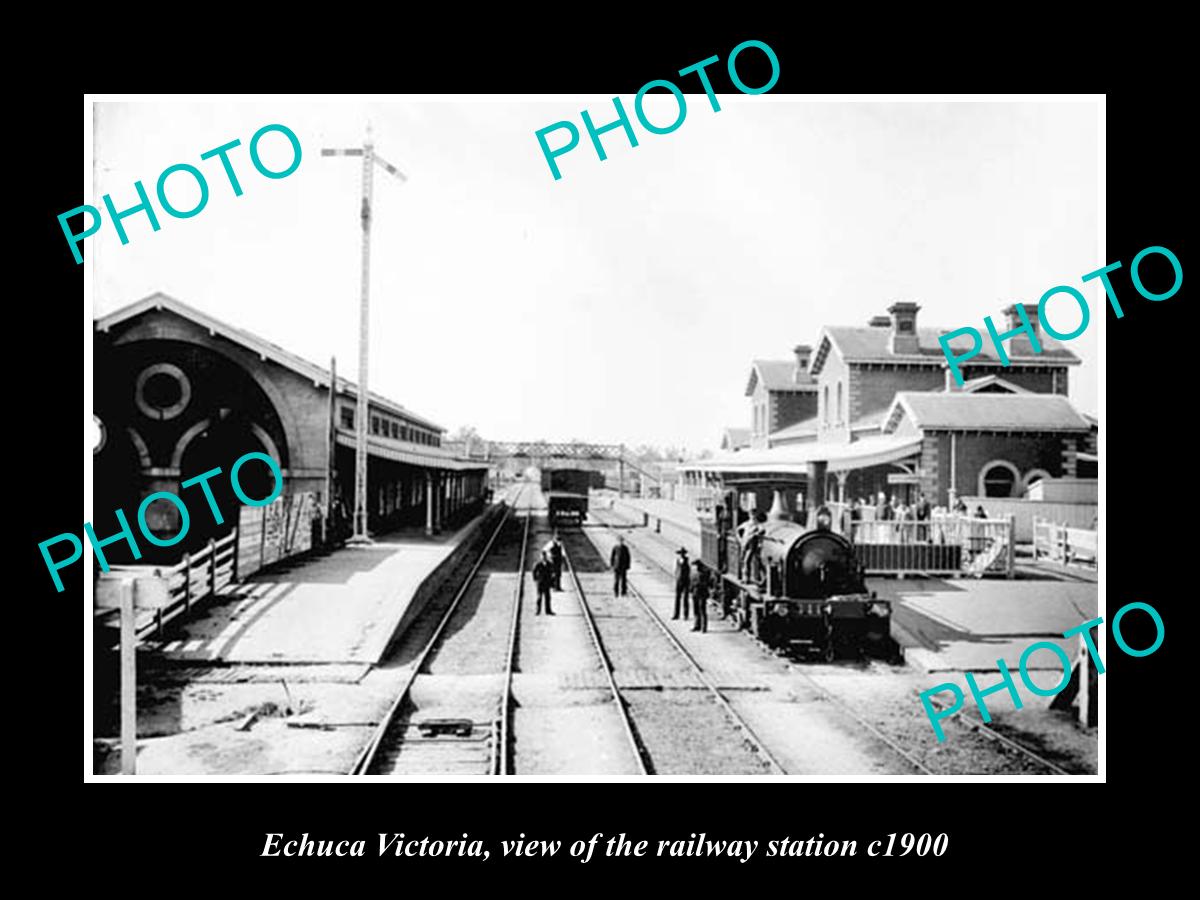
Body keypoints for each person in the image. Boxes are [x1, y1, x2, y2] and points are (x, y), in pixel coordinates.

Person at [532, 550, 554, 615]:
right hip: (540, 583)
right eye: (542, 556)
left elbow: (552, 573)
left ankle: (548, 611)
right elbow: (534, 571)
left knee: (548, 597)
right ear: (541, 557)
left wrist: (552, 582)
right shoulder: (538, 564)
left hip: (547, 583)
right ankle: (538, 611)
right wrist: (535, 579)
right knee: (539, 597)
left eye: (545, 556)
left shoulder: (549, 564)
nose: (544, 557)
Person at [673, 548, 692, 620]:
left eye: (683, 553)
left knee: (685, 599)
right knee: (677, 598)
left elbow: (689, 571)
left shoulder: (687, 561)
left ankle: (685, 615)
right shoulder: (677, 560)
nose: (682, 555)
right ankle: (676, 614)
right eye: (681, 553)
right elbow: (675, 570)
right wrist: (676, 577)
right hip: (679, 581)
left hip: (685, 581)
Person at [692, 560, 710, 633]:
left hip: (702, 594)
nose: (697, 568)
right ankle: (697, 625)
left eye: (698, 566)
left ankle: (703, 627)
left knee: (702, 610)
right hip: (696, 593)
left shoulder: (704, 575)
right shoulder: (695, 574)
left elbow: (705, 584)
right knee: (696, 610)